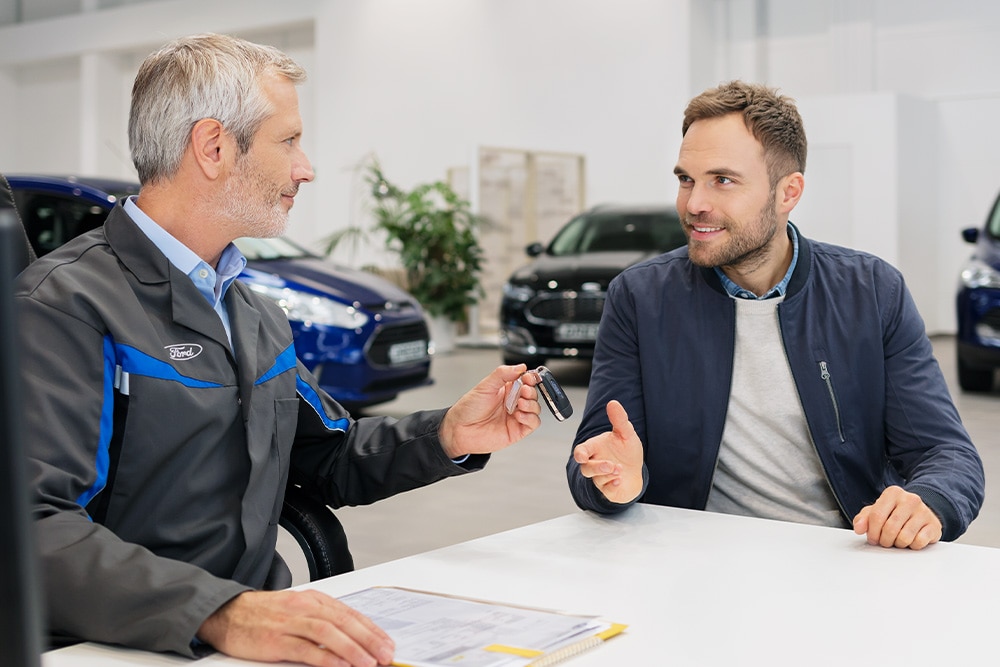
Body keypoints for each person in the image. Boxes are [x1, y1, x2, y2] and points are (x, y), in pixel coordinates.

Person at [17, 34, 544, 667]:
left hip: (252, 636)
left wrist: (449, 435)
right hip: (126, 645)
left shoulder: (252, 312)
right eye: (288, 141)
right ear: (213, 148)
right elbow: (32, 527)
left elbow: (329, 455)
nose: (306, 167)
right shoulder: (64, 307)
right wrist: (220, 612)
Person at [567, 80, 984, 552]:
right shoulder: (639, 297)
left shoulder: (872, 291)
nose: (694, 203)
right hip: (688, 560)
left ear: (789, 192)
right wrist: (610, 481)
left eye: (721, 180)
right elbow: (597, 452)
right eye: (686, 179)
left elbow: (946, 453)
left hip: (841, 556)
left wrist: (928, 500)